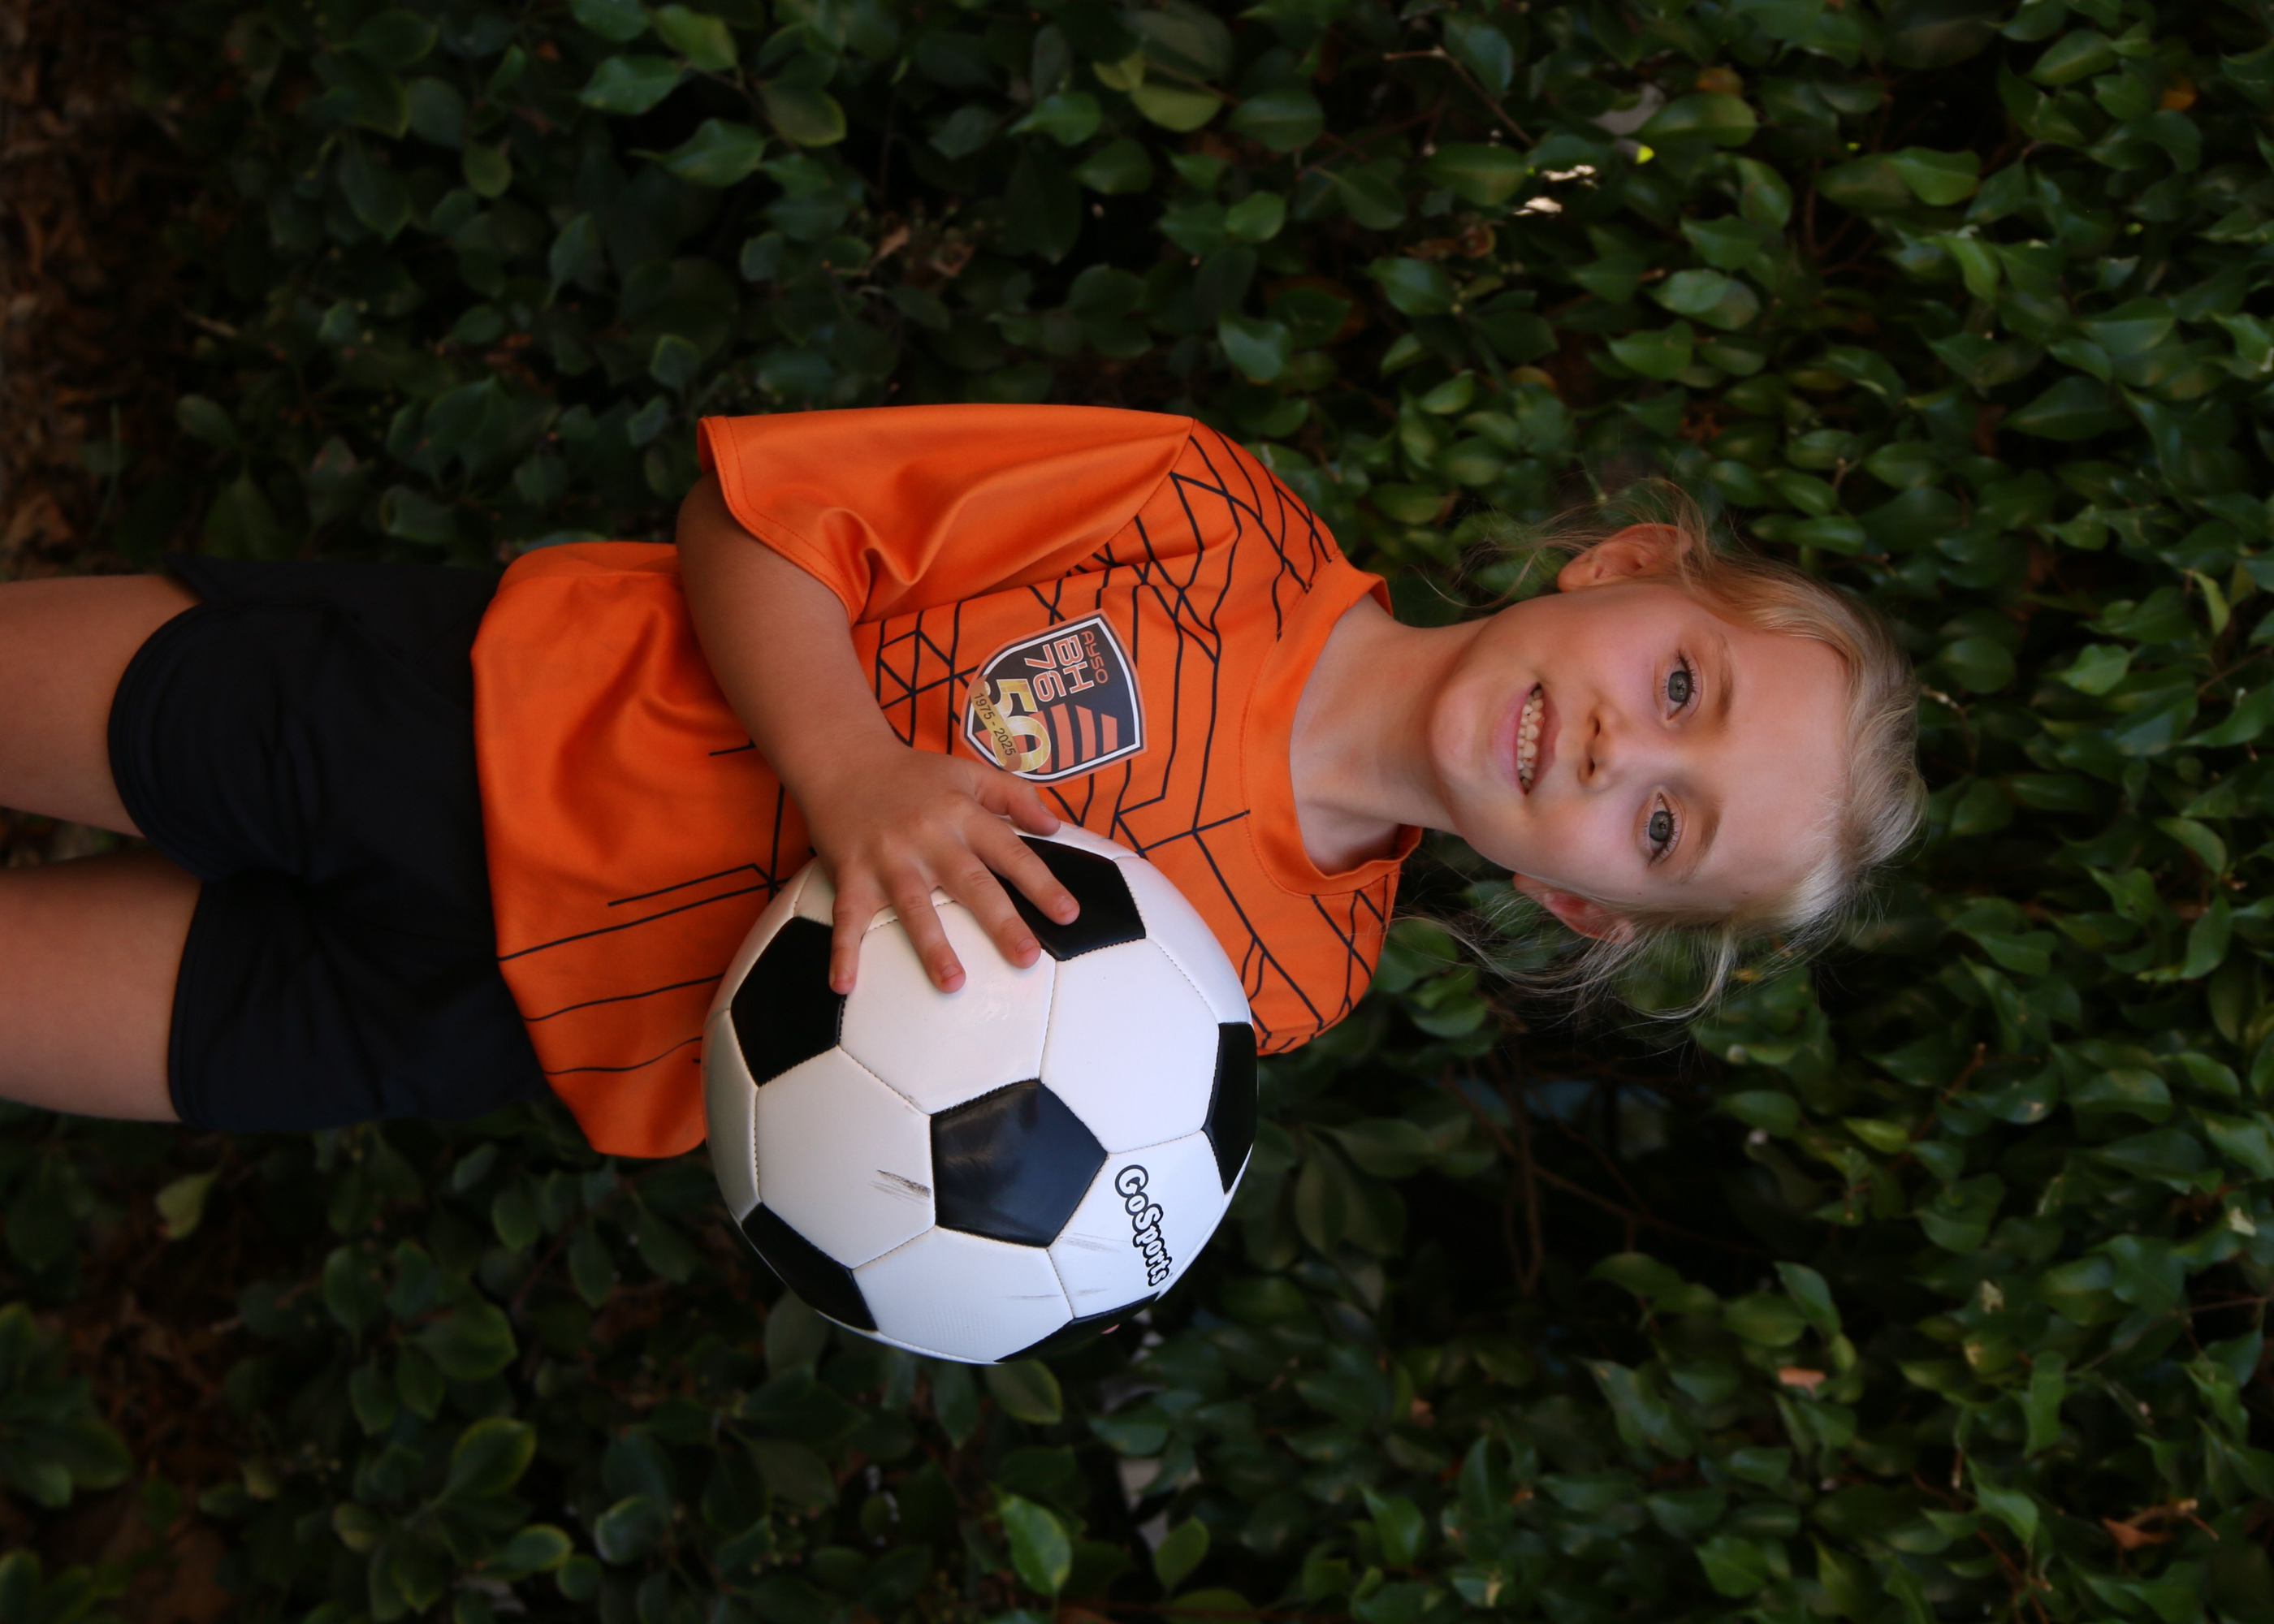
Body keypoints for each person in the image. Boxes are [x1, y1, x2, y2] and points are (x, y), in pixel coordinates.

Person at [0, 405, 1922, 1153]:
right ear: (1622, 567)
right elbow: (752, 517)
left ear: (1581, 901)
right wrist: (848, 769)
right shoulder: (1195, 510)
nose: (1616, 747)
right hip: (452, 713)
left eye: (1658, 823)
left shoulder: (1283, 987)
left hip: (492, 1019)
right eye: (1680, 683)